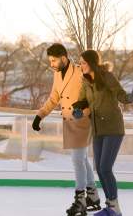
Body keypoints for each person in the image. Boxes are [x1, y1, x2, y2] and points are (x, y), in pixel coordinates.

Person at [32, 43, 101, 216]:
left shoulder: (79, 71)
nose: (52, 64)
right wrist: (40, 115)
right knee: (82, 159)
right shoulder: (57, 75)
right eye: (50, 60)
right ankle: (92, 195)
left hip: (82, 119)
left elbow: (94, 92)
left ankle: (80, 200)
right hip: (68, 120)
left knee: (77, 159)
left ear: (63, 57)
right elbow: (54, 98)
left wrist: (86, 107)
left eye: (54, 60)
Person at [72, 50, 133, 216]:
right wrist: (77, 110)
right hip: (98, 129)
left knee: (105, 167)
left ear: (92, 63)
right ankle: (110, 206)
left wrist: (132, 96)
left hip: (113, 128)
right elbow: (82, 101)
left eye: (83, 63)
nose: (80, 65)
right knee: (99, 168)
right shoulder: (85, 81)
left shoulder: (107, 77)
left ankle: (114, 206)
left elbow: (121, 95)